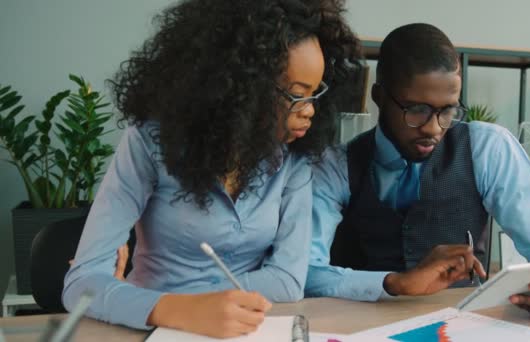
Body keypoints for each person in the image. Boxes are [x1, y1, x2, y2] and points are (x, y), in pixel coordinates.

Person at [63, 0, 360, 337]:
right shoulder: (150, 143)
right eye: (296, 95)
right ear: (239, 86)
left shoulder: (294, 157)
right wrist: (178, 310)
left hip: (250, 329)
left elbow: (288, 281)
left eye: (315, 94)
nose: (309, 112)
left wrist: (151, 297)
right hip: (157, 331)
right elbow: (83, 284)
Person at [305, 23, 530, 323]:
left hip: (462, 326)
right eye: (417, 110)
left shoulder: (488, 148)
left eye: (447, 110)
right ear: (379, 96)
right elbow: (306, 272)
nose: (433, 128)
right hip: (358, 326)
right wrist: (393, 283)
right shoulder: (334, 166)